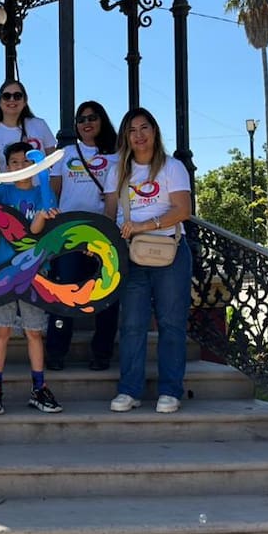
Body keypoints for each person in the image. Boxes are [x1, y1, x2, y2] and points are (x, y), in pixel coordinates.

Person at [104, 108, 193, 413]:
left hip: (168, 250)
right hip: (131, 255)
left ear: (155, 131)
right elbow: (110, 214)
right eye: (132, 130)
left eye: (145, 128)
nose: (139, 135)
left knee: (171, 323)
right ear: (125, 136)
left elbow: (183, 210)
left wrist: (146, 225)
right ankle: (129, 390)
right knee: (132, 324)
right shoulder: (117, 171)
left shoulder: (172, 167)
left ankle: (170, 390)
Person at [0, 142, 63, 415]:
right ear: (6, 167)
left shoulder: (43, 192)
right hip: (4, 271)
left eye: (27, 162)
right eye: (15, 162)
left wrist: (44, 181)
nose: (21, 167)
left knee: (34, 332)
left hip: (35, 272)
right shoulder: (3, 190)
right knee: (2, 330)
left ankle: (39, 388)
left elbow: (36, 228)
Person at [45, 100, 120, 371]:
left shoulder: (117, 156)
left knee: (105, 296)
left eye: (92, 117)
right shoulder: (64, 154)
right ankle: (55, 351)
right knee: (64, 293)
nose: (86, 122)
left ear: (102, 121)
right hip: (69, 232)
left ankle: (102, 353)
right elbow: (53, 191)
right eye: (81, 118)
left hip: (102, 231)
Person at [0, 80, 56, 173]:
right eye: (6, 96)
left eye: (17, 96)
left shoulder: (40, 125)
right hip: (9, 187)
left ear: (25, 101)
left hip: (42, 187)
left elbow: (55, 164)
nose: (12, 99)